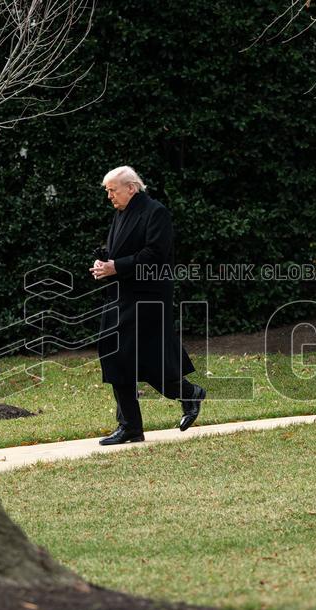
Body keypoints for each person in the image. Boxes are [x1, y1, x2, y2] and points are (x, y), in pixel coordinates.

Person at [90, 166, 206, 444]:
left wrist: (116, 266)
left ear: (131, 188)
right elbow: (122, 250)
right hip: (122, 295)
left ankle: (189, 394)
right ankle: (130, 426)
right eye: (107, 191)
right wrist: (104, 261)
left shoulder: (156, 212)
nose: (109, 196)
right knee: (116, 356)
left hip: (148, 298)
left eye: (113, 190)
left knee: (151, 360)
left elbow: (155, 254)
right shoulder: (121, 212)